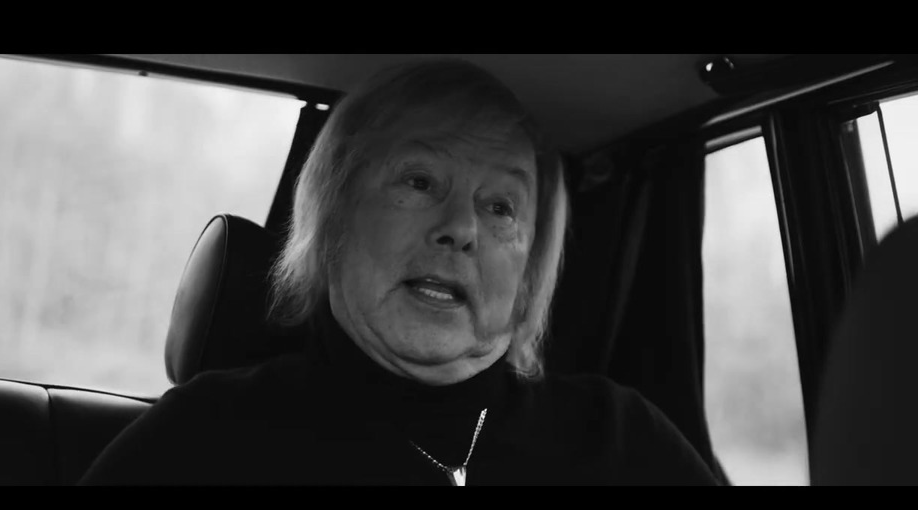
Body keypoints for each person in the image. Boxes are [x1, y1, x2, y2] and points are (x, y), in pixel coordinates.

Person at [80, 59, 718, 486]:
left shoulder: (621, 441)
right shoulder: (199, 443)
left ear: (529, 271)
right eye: (419, 181)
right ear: (333, 217)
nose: (461, 228)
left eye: (500, 207)